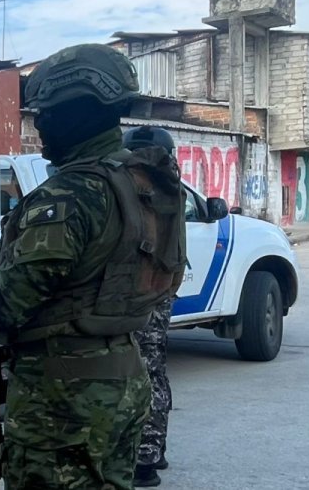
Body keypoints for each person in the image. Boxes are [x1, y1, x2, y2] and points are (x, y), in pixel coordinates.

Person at [0, 44, 186, 489]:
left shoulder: (70, 195)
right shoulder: (142, 182)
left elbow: (9, 302)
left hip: (64, 398)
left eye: (49, 114)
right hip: (125, 379)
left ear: (80, 113)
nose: (40, 126)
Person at [123, 125, 186, 488]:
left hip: (130, 291)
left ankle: (141, 461)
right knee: (155, 369)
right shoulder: (171, 187)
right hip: (162, 289)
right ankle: (154, 451)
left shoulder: (124, 184)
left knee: (132, 372)